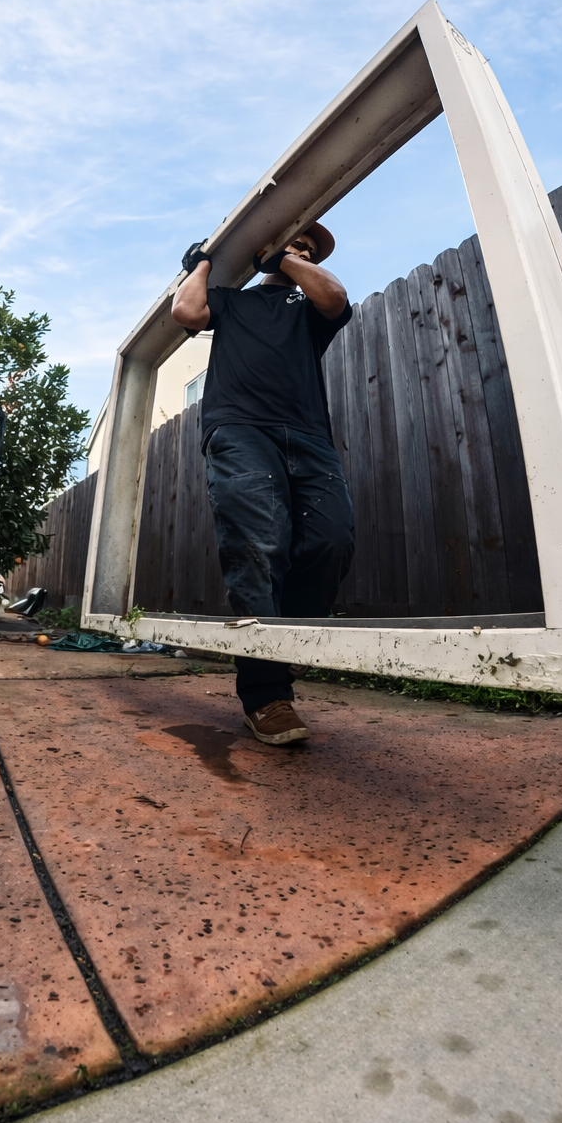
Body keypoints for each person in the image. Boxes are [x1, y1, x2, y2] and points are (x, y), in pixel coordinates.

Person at [171, 222, 355, 746]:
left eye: (307, 249)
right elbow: (186, 312)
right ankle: (266, 696)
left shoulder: (310, 311)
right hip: (240, 430)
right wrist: (202, 265)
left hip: (309, 436)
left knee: (332, 541)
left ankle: (283, 654)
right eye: (291, 244)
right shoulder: (231, 304)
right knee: (257, 545)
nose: (298, 252)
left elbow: (335, 295)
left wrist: (285, 258)